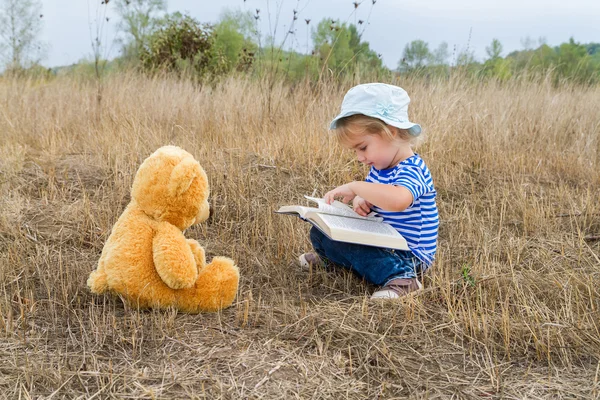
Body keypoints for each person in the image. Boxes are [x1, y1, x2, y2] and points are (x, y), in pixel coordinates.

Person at [299, 83, 439, 299]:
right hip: (383, 242)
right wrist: (361, 200)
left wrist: (357, 187)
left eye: (363, 147)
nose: (359, 157)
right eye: (356, 151)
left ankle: (405, 280)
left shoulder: (413, 169)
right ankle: (338, 263)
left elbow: (398, 200)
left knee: (359, 250)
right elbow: (376, 195)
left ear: (391, 132)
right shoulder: (379, 168)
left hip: (407, 255)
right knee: (320, 232)